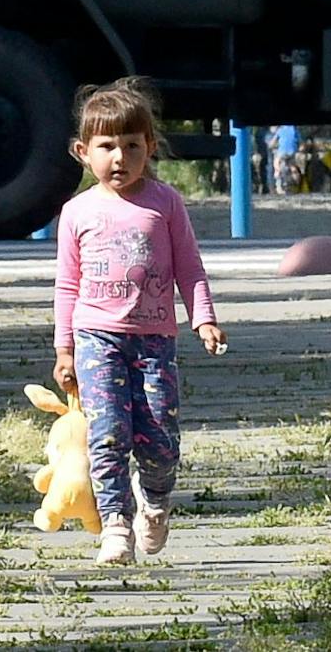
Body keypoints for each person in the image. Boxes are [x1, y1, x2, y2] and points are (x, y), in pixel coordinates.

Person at [52, 78, 228, 566]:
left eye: (131, 146)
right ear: (83, 152)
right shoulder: (76, 213)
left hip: (154, 342)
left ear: (149, 148)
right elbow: (67, 285)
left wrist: (203, 318)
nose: (119, 158)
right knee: (107, 433)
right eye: (106, 146)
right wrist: (64, 349)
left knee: (160, 440)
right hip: (96, 338)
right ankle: (115, 525)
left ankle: (153, 501)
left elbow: (189, 266)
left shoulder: (165, 204)